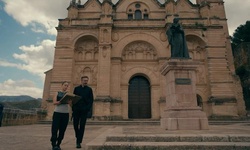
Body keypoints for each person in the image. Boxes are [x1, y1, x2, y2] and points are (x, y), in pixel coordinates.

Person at [72, 76, 94, 148]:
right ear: (81, 81)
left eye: (87, 80)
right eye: (84, 80)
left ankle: (78, 142)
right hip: (76, 110)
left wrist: (87, 108)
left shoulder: (89, 89)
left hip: (84, 110)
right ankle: (78, 135)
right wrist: (73, 108)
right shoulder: (76, 89)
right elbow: (73, 99)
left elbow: (91, 100)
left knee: (82, 125)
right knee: (75, 125)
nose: (85, 82)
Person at [50, 81, 71, 150]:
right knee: (55, 129)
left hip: (65, 113)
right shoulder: (57, 93)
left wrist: (70, 102)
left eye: (67, 86)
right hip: (57, 113)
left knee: (62, 130)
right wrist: (58, 102)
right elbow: (54, 102)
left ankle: (58, 144)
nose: (66, 87)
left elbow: (71, 104)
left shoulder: (68, 94)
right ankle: (53, 144)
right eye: (65, 85)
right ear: (61, 85)